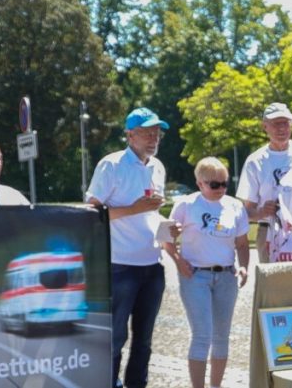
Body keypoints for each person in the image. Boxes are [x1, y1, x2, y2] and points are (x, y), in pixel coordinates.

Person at [86, 107, 169, 388]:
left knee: (144, 341)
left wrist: (169, 228)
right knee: (115, 338)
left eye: (157, 132)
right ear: (129, 134)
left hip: (152, 265)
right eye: (147, 132)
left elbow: (151, 213)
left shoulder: (157, 167)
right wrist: (133, 209)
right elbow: (92, 213)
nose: (153, 137)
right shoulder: (111, 165)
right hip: (120, 266)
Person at [164, 157, 250, 388]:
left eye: (224, 184)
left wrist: (244, 266)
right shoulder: (186, 204)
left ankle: (216, 386)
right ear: (200, 183)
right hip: (196, 276)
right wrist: (178, 261)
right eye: (214, 185)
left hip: (226, 276)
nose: (220, 189)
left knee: (222, 336)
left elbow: (242, 244)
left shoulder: (235, 206)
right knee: (202, 335)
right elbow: (165, 238)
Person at [236, 102, 292, 261]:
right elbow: (246, 212)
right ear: (265, 127)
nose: (281, 128)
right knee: (273, 284)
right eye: (275, 124)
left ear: (291, 125)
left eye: (285, 123)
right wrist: (262, 212)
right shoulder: (255, 161)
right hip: (270, 232)